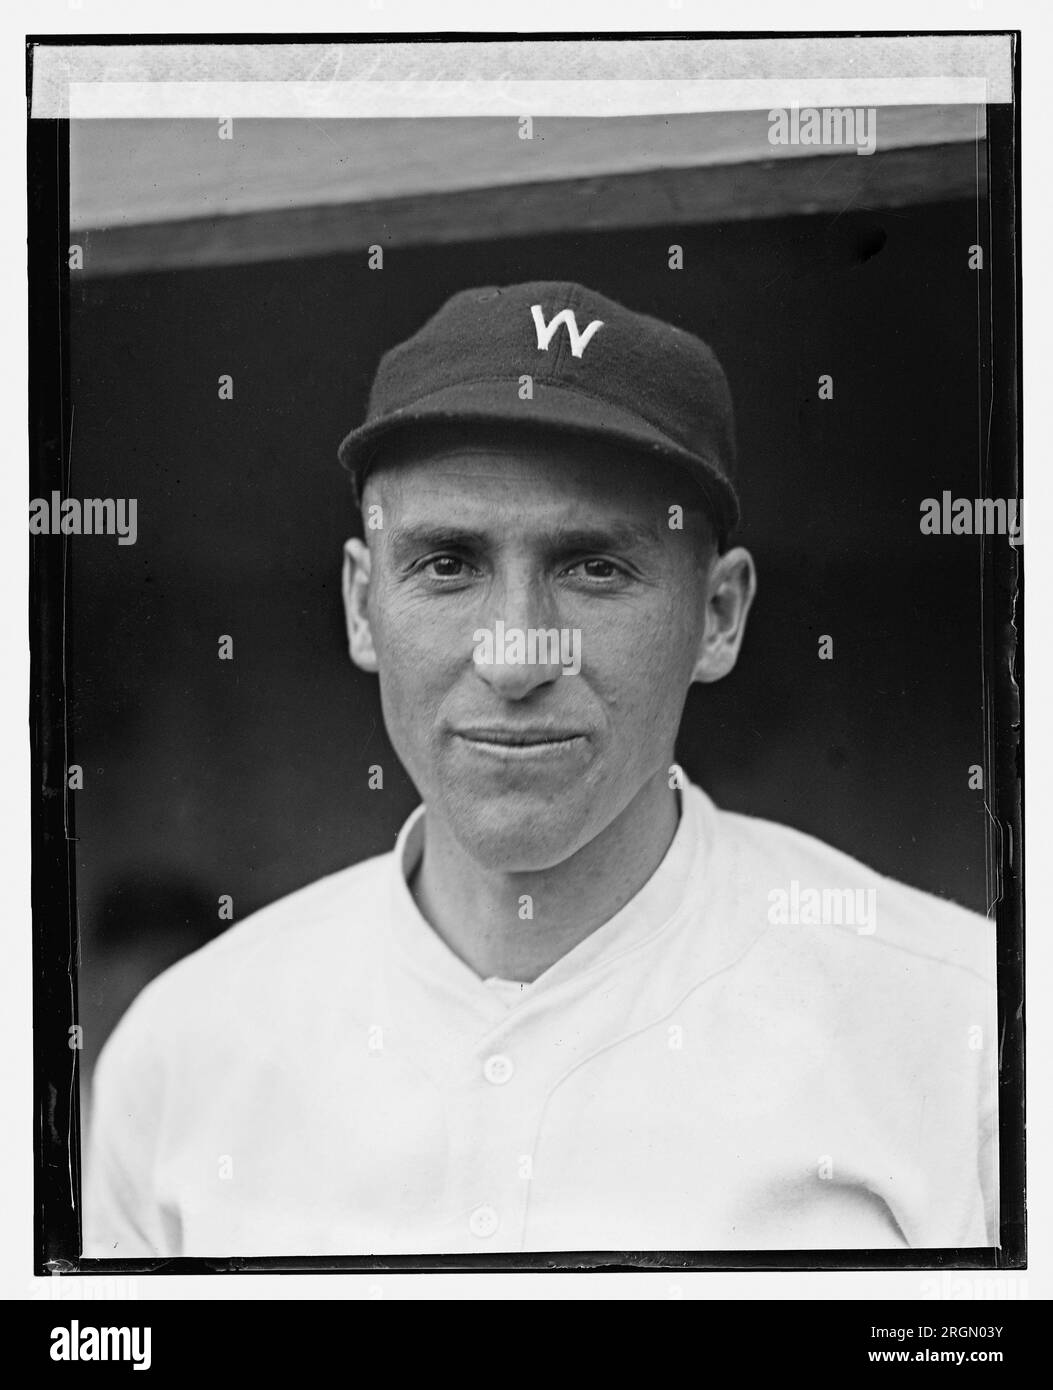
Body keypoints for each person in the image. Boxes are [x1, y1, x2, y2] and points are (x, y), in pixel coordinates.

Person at [84, 281, 997, 1257]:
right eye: (447, 563)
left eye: (595, 566)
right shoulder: (186, 1051)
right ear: (362, 605)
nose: (517, 657)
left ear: (719, 616)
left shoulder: (963, 1026)